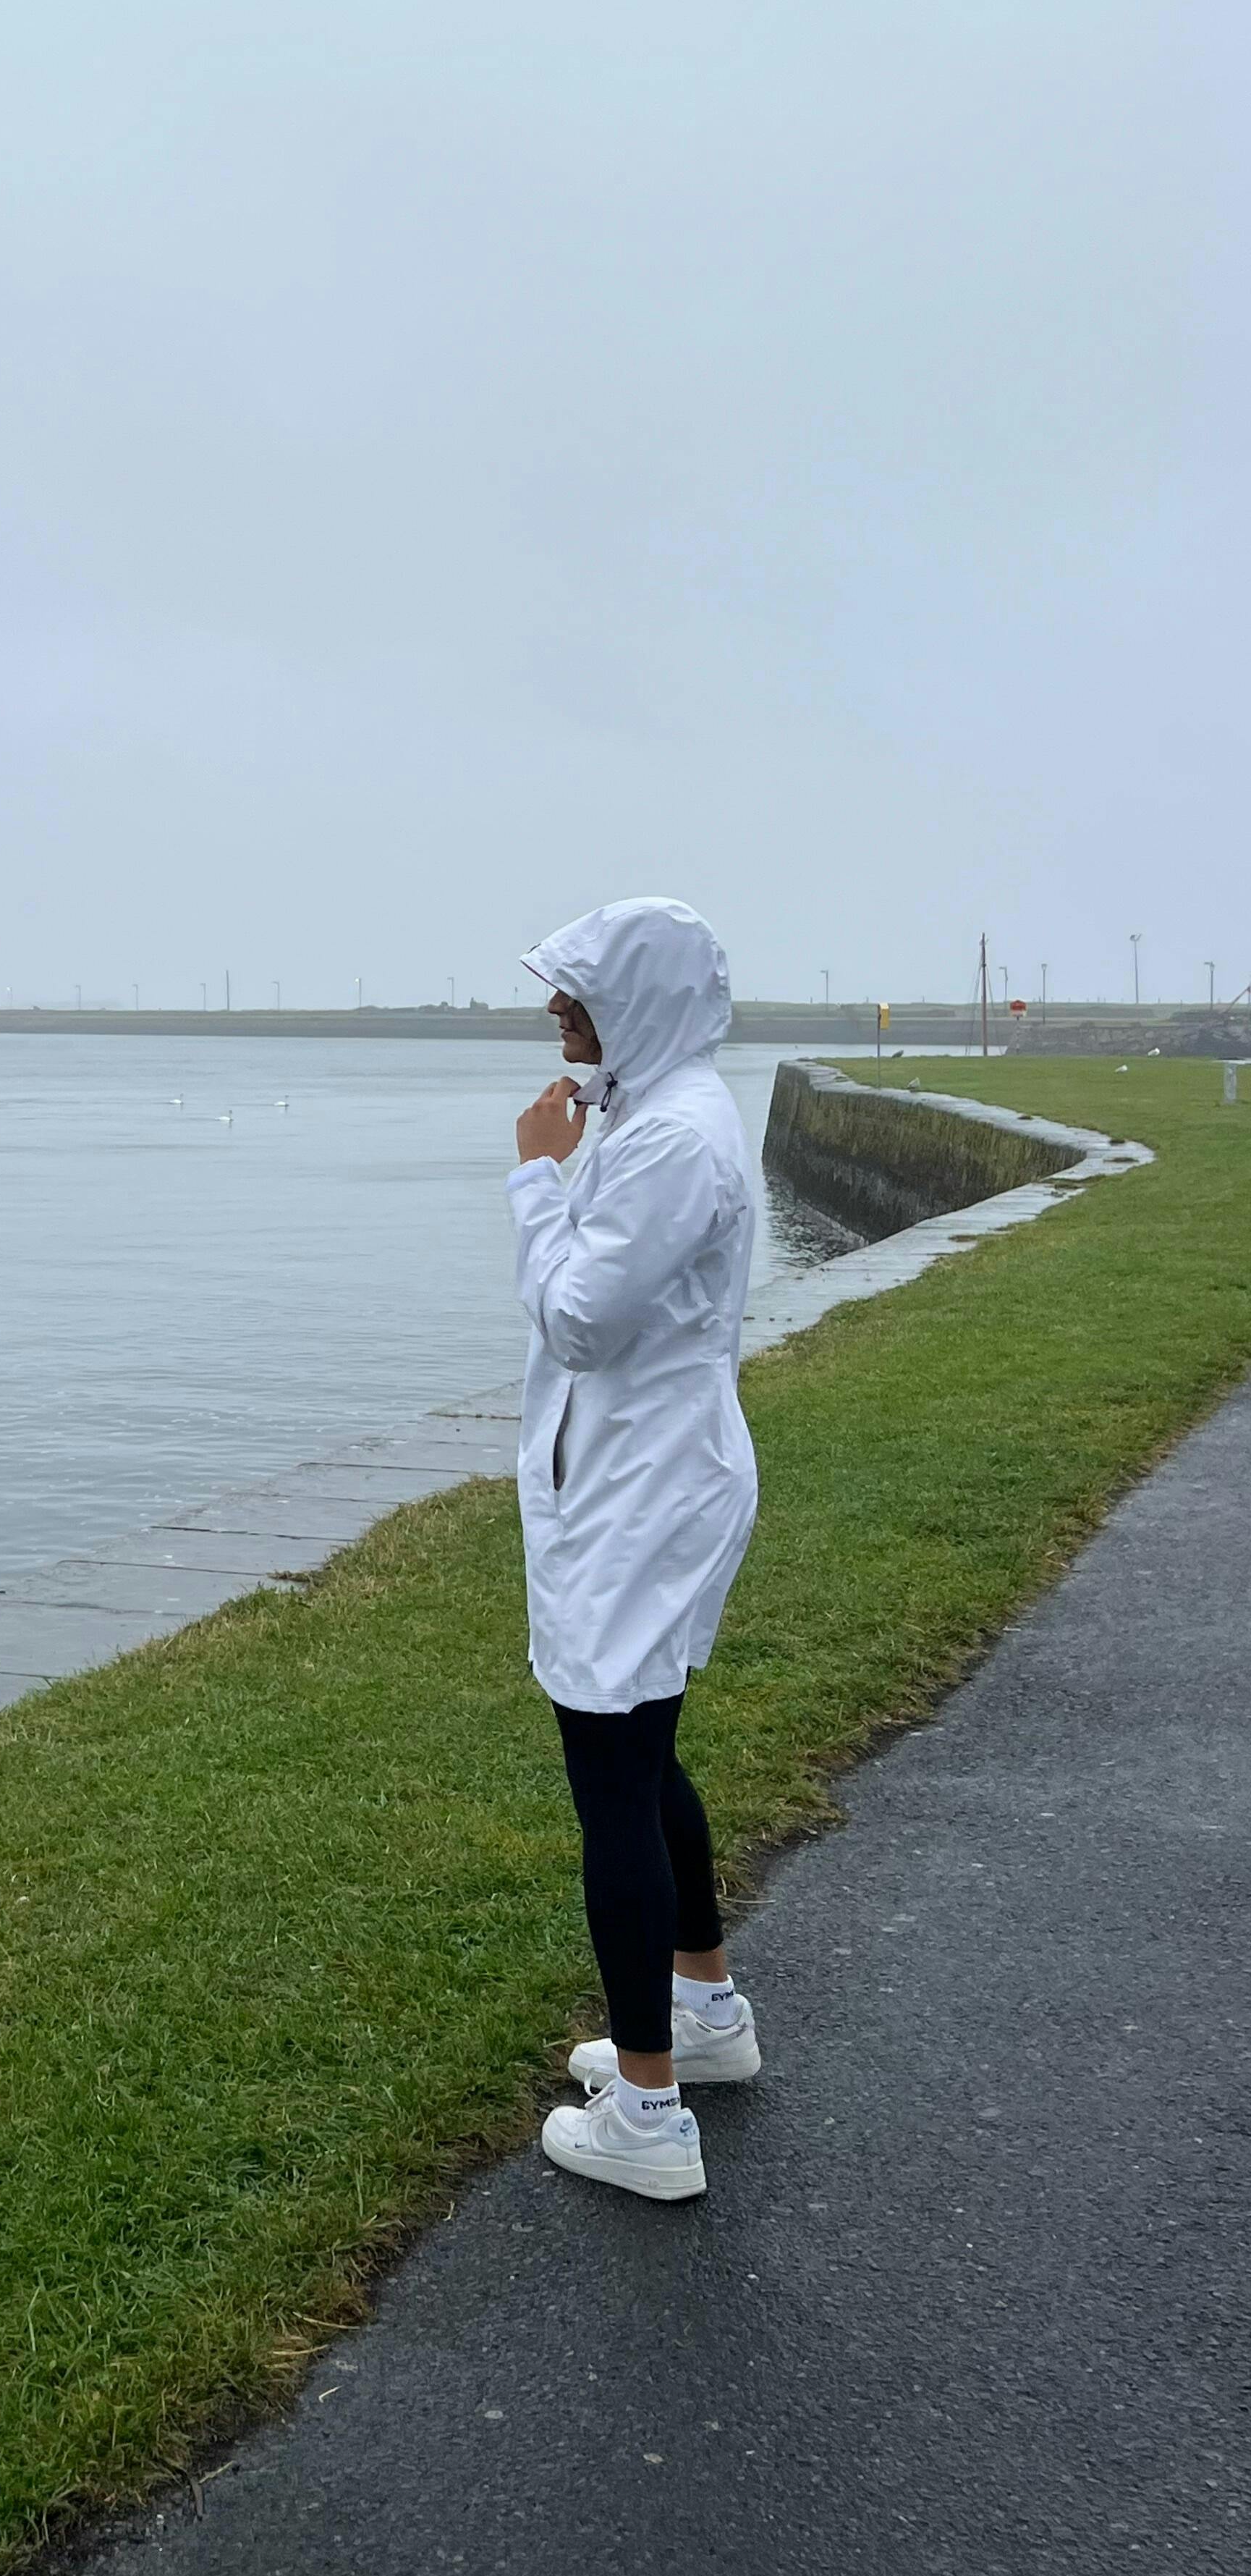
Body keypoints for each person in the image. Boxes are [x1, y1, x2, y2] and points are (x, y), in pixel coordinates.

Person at [506, 896, 762, 2203]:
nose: (556, 1009)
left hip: (640, 1492)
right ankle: (704, 2013)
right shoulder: (663, 1112)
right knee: (644, 1752)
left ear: (643, 1001)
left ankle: (649, 2120)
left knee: (611, 1778)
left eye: (579, 990)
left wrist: (534, 1179)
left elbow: (580, 1324)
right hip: (645, 1479)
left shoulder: (668, 1138)